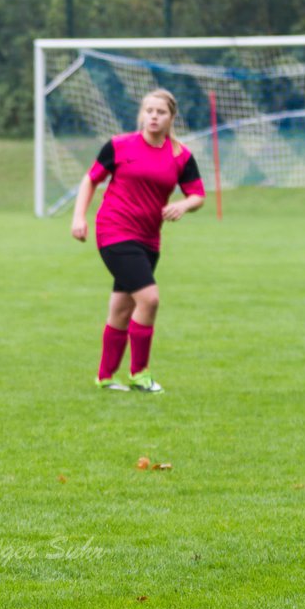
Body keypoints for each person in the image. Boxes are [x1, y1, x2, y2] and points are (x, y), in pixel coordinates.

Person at [71, 88, 205, 393]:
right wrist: (79, 217)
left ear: (172, 117)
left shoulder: (180, 156)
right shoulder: (119, 146)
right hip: (114, 231)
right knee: (149, 299)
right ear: (141, 114)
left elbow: (198, 195)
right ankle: (139, 373)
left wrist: (183, 205)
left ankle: (105, 377)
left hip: (149, 239)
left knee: (121, 308)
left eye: (161, 112)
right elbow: (90, 179)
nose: (154, 117)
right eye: (149, 111)